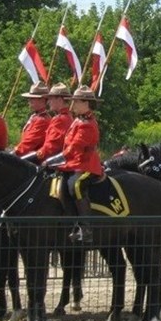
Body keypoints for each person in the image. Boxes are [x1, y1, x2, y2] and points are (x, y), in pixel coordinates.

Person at [44, 85, 103, 243]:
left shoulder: (88, 124)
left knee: (76, 185)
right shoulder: (78, 120)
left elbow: (74, 148)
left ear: (86, 103)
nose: (72, 104)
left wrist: (52, 160)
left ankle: (86, 228)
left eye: (76, 101)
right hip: (74, 163)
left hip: (87, 165)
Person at [13, 82, 51, 159]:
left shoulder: (42, 120)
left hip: (33, 159)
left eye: (32, 98)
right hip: (26, 155)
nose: (29, 100)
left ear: (42, 100)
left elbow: (29, 142)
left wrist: (14, 153)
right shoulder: (36, 117)